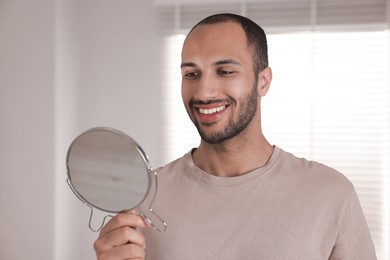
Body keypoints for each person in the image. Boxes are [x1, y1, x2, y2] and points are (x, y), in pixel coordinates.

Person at [93, 13, 376, 259]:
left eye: (225, 71)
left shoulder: (331, 194)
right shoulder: (143, 202)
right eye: (191, 74)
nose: (204, 93)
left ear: (263, 81)